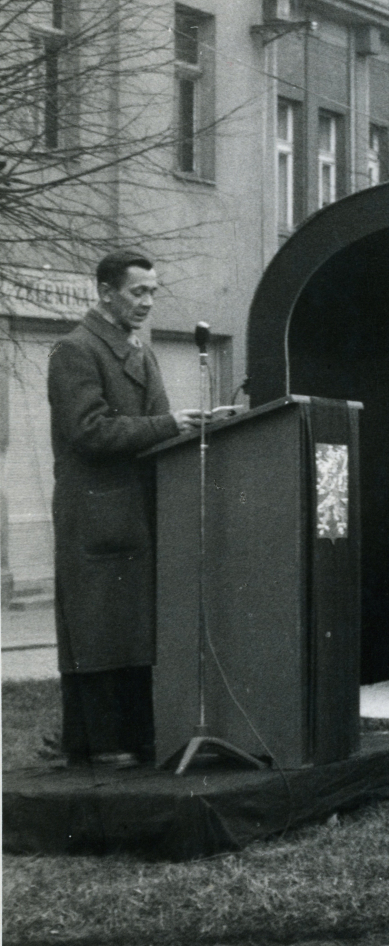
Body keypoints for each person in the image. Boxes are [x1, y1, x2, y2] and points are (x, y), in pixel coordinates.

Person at [48, 251, 204, 766]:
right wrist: (169, 425)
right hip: (95, 516)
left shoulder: (142, 352)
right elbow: (87, 430)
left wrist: (199, 426)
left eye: (153, 292)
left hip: (136, 514)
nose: (148, 302)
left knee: (133, 628)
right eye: (139, 292)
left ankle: (135, 738)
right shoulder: (76, 350)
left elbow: (157, 423)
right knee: (99, 629)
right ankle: (98, 744)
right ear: (106, 292)